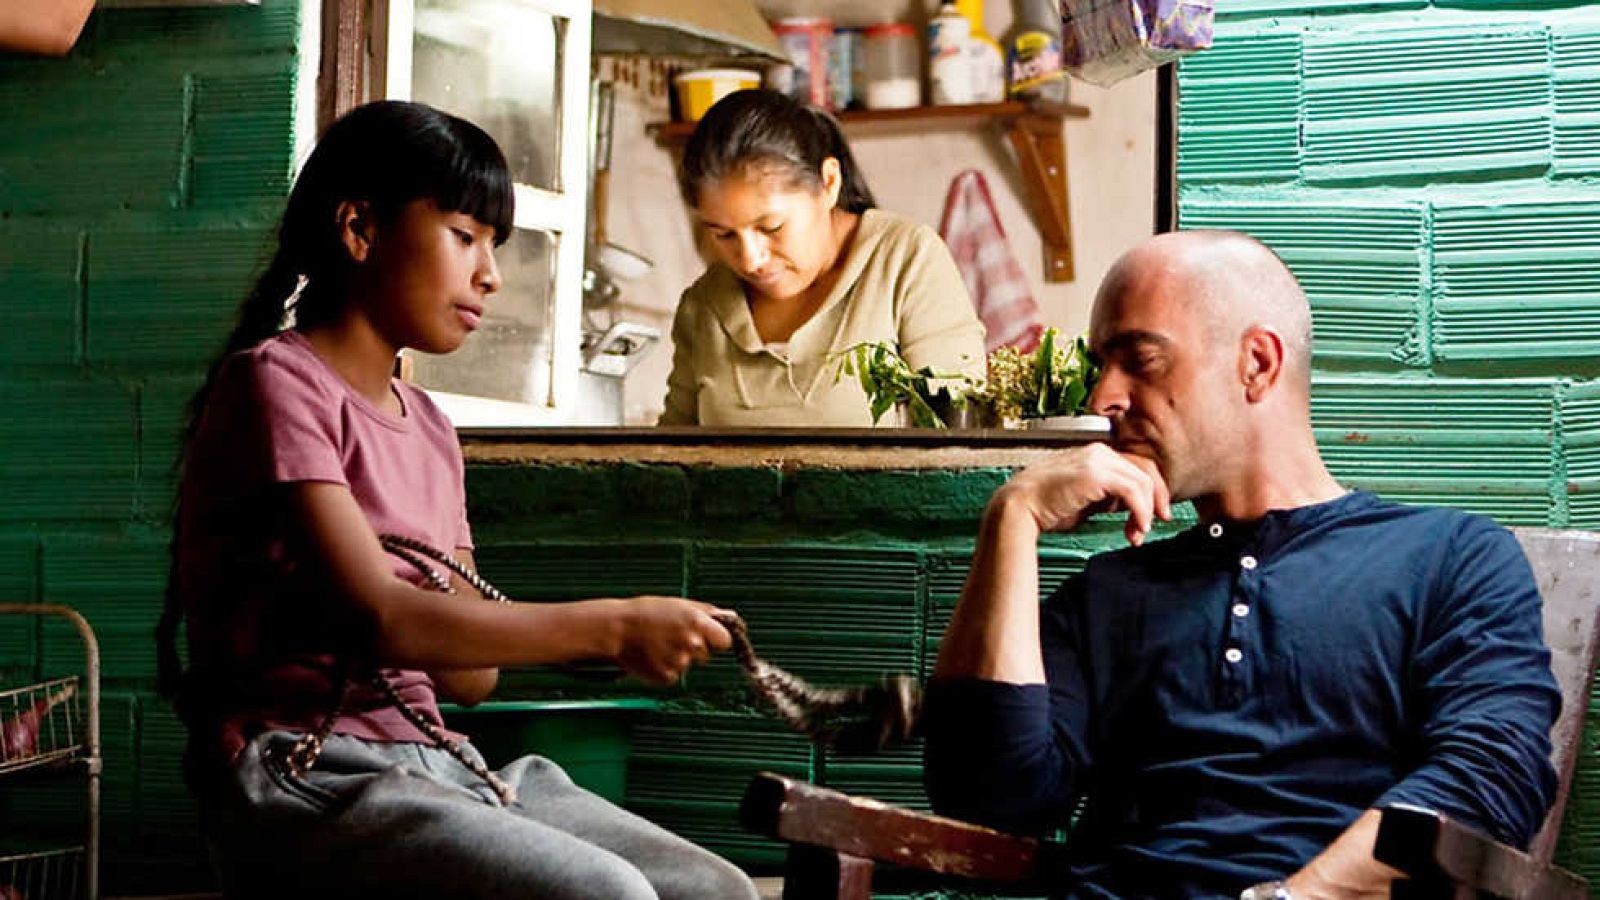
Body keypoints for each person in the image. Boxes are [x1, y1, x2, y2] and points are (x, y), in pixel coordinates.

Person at [155, 100, 759, 900]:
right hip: (305, 765)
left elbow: (472, 679)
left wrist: (516, 620)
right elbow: (381, 616)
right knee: (606, 892)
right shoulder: (277, 382)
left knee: (712, 889)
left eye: (495, 245)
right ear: (360, 229)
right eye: (464, 236)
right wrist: (613, 624)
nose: (491, 274)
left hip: (435, 760)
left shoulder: (432, 428)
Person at [922, 230, 1560, 899]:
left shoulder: (1452, 560)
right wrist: (1011, 519)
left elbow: (1492, 776)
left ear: (1257, 363)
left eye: (1140, 361)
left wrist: (1294, 899)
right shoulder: (1110, 592)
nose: (1103, 400)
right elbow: (989, 805)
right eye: (1100, 367)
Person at [660, 88, 987, 426]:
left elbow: (958, 439)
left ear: (828, 183)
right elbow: (669, 452)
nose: (750, 260)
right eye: (724, 234)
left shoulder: (904, 259)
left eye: (771, 228)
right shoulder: (704, 305)